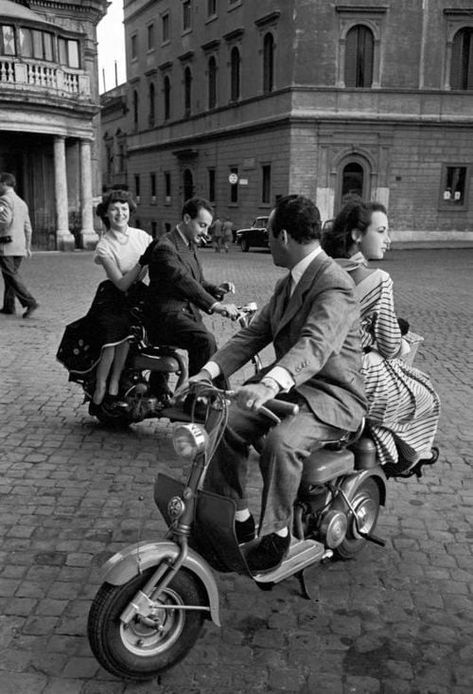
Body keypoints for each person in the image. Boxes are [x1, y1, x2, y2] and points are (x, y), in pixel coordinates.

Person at [191, 195, 366, 573]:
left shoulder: (334, 284)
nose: (266, 241)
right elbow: (253, 335)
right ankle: (237, 520)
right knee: (224, 421)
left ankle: (277, 535)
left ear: (283, 236)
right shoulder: (289, 282)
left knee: (281, 442)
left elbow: (315, 345)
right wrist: (207, 372)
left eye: (268, 234)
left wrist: (268, 384)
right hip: (293, 388)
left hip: (332, 396)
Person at [321, 200, 440, 476]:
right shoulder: (378, 280)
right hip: (355, 374)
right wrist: (403, 343)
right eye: (382, 231)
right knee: (425, 396)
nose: (388, 239)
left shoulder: (321, 268)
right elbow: (389, 346)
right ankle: (405, 460)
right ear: (357, 235)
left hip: (314, 368)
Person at [56, 190, 152, 412]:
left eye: (124, 209)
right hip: (112, 297)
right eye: (115, 209)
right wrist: (142, 263)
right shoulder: (104, 245)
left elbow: (154, 264)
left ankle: (117, 380)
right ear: (107, 214)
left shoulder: (142, 236)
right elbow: (121, 283)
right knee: (112, 337)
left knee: (130, 337)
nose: (120, 213)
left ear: (130, 211)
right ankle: (101, 382)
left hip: (138, 294)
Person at [144, 197, 239, 381]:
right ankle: (197, 399)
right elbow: (182, 280)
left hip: (184, 314)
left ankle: (219, 397)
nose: (205, 232)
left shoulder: (190, 244)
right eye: (202, 225)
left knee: (209, 346)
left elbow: (198, 281)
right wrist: (216, 306)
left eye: (207, 227)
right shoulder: (165, 247)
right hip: (164, 318)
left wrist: (217, 289)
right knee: (205, 341)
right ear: (187, 219)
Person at [0, 172, 39, 318]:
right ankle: (9, 306)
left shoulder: (4, 200)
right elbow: (28, 227)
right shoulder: (22, 202)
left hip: (6, 244)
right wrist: (27, 246)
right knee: (10, 275)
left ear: (3, 183)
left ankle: (30, 302)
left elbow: (4, 220)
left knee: (10, 275)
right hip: (19, 246)